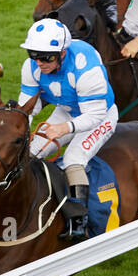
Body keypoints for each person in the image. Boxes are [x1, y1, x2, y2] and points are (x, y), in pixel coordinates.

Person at [16, 17, 118, 241]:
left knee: (73, 157)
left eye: (46, 57)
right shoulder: (32, 67)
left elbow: (95, 114)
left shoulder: (86, 68)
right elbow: (28, 109)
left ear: (62, 53)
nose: (39, 62)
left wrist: (64, 129)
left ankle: (79, 220)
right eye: (34, 55)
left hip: (100, 115)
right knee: (31, 152)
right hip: (67, 110)